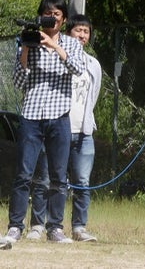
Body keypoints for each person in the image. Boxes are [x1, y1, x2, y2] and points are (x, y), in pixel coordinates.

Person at [5, 0, 86, 245]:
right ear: (40, 16)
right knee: (24, 174)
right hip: (30, 116)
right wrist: (27, 49)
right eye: (47, 14)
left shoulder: (72, 44)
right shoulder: (28, 42)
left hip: (59, 116)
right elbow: (19, 82)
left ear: (62, 20)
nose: (51, 18)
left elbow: (77, 69)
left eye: (56, 14)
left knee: (59, 176)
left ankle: (55, 228)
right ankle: (15, 227)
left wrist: (54, 46)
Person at [25, 15, 102, 242]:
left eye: (86, 32)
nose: (82, 35)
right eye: (78, 30)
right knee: (46, 179)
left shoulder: (93, 64)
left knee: (82, 182)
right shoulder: (53, 55)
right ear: (68, 32)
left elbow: (93, 94)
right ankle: (39, 225)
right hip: (56, 126)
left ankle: (79, 227)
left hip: (83, 130)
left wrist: (87, 120)